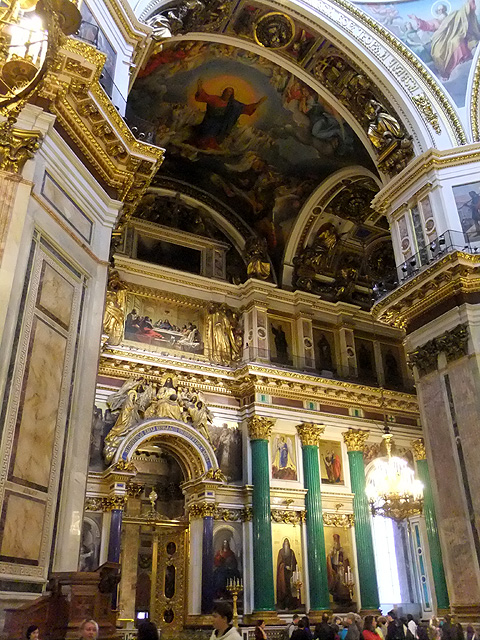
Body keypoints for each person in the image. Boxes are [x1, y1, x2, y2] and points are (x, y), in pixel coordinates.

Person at [191, 79, 267, 149]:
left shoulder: (234, 105)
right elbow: (203, 96)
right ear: (223, 92)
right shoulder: (214, 99)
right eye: (226, 91)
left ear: (232, 95)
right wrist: (199, 86)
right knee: (205, 132)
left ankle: (211, 144)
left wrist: (258, 103)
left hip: (221, 125)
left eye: (230, 92)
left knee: (216, 129)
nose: (228, 93)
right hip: (208, 122)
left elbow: (246, 108)